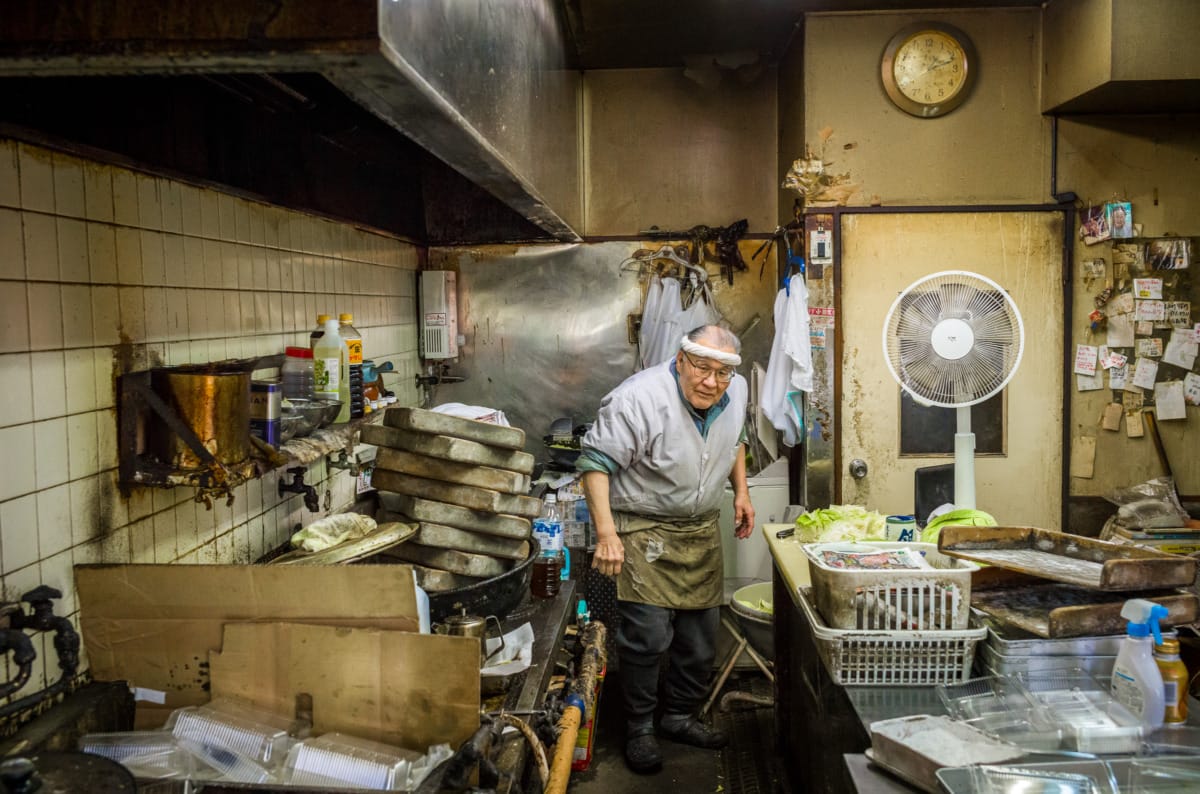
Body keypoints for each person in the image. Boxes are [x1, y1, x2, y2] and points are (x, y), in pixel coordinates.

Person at [576, 324, 755, 774]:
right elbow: (595, 464)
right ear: (680, 360)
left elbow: (735, 441)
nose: (711, 382)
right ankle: (639, 727)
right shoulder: (638, 398)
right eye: (701, 368)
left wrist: (741, 493)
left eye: (721, 373)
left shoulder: (736, 390)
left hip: (699, 530)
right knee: (647, 637)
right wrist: (606, 533)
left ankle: (678, 716)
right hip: (643, 529)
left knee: (699, 640)